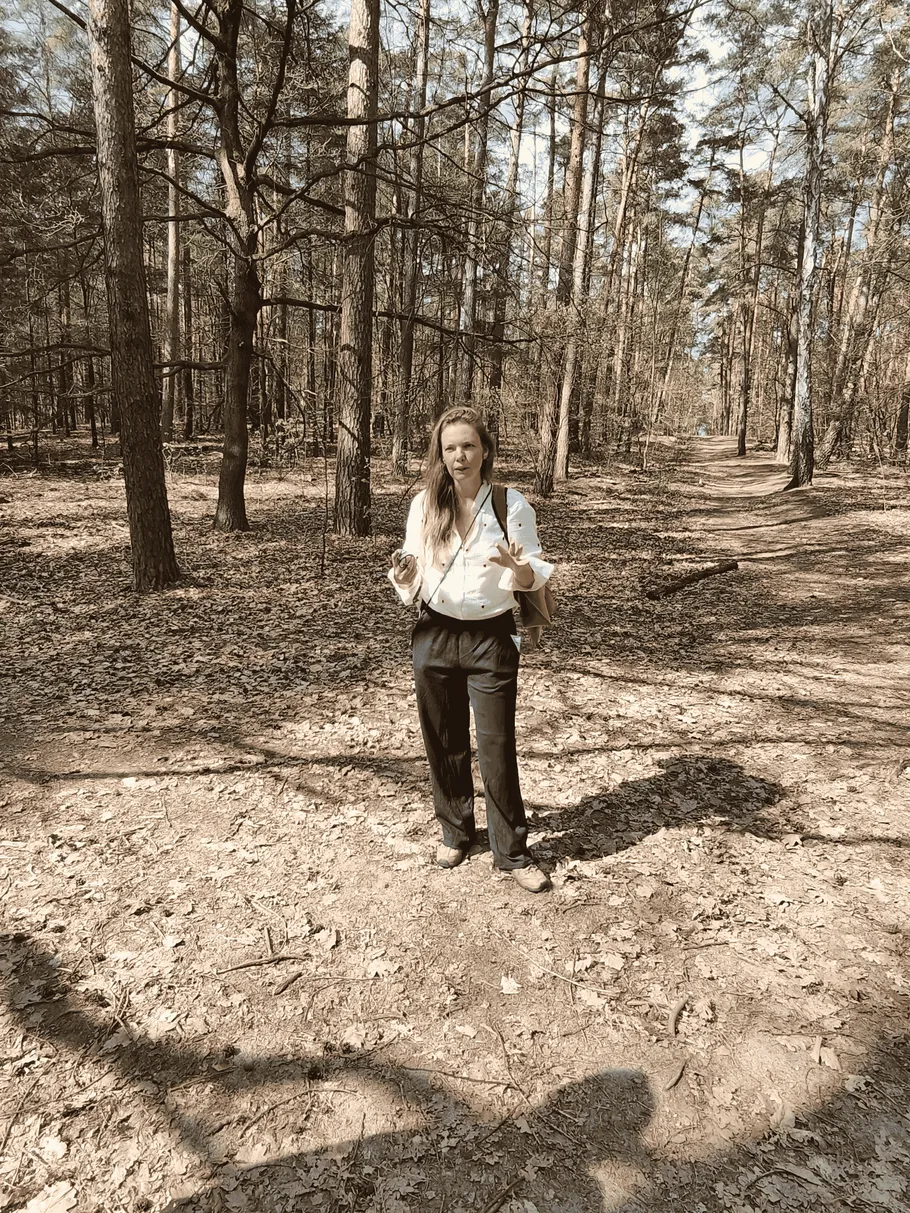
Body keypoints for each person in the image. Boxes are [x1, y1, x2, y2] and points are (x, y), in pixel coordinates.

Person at [389, 406, 554, 893]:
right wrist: (403, 578)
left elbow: (531, 575)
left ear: (486, 450)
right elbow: (412, 567)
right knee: (443, 739)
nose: (460, 456)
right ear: (440, 455)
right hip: (434, 632)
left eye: (469, 446)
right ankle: (456, 832)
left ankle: (512, 851)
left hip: (491, 636)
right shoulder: (425, 505)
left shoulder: (511, 504)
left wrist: (517, 568)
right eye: (450, 448)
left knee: (497, 745)